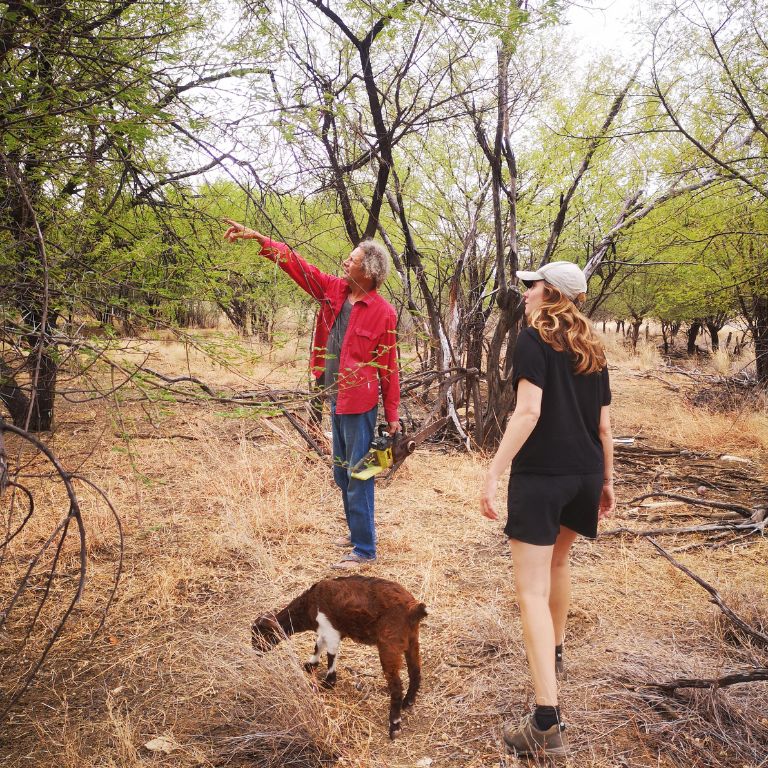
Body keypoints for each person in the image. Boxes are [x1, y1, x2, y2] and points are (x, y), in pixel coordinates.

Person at [479, 261, 615, 757]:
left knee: (530, 593)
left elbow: (528, 412)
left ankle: (544, 722)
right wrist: (606, 480)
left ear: (551, 292)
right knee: (559, 562)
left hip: (541, 479)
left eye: (532, 284)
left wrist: (493, 472)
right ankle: (554, 656)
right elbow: (604, 428)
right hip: (582, 475)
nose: (527, 291)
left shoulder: (532, 340)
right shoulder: (593, 349)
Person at [223, 220, 400, 569]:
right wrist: (261, 239)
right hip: (335, 395)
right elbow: (298, 265)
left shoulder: (384, 313)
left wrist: (392, 415)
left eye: (352, 260)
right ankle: (355, 533)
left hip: (360, 403)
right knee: (340, 472)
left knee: (359, 474)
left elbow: (389, 369)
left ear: (368, 271)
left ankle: (365, 551)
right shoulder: (333, 291)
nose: (345, 264)